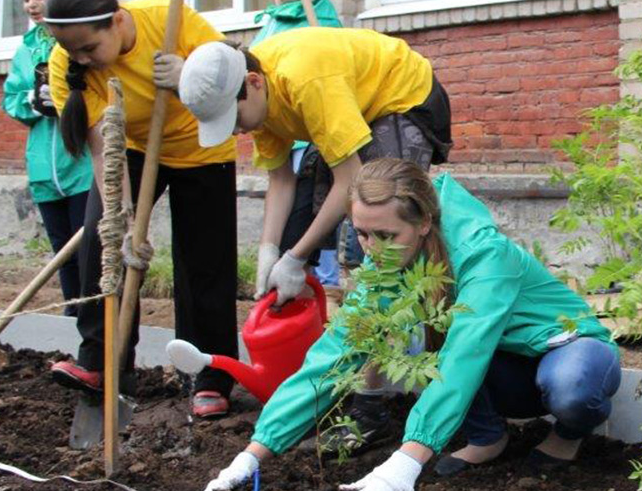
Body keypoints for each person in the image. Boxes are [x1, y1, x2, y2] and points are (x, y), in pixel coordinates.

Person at [193, 158, 622, 491]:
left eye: (385, 234)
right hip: (504, 367)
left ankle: (568, 434)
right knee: (418, 345)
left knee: (572, 389)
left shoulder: (484, 255)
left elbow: (464, 356)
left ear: (423, 224)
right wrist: (253, 453)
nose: (371, 249)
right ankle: (489, 436)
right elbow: (330, 360)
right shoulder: (387, 267)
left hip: (566, 348)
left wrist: (406, 462)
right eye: (361, 234)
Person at [176, 25, 451, 444]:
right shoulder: (260, 95)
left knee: (369, 249)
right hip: (354, 107)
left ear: (253, 84)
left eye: (233, 119)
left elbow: (352, 181)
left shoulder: (306, 80)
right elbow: (282, 183)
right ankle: (314, 383)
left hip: (403, 97)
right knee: (297, 232)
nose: (235, 131)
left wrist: (296, 256)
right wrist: (273, 251)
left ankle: (371, 405)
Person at [43, 0, 241, 418]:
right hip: (127, 149)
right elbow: (101, 149)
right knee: (104, 243)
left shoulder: (166, 19)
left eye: (89, 49)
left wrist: (187, 71)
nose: (81, 59)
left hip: (200, 147)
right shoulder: (66, 65)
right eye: (71, 50)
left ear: (116, 21)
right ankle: (101, 361)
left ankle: (210, 374)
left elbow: (234, 66)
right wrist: (125, 217)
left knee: (203, 263)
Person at [1, 0, 93, 317]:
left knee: (88, 251)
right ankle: (72, 324)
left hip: (80, 166)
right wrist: (32, 101)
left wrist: (67, 101)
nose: (32, 4)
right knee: (61, 255)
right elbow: (10, 98)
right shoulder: (24, 50)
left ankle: (94, 326)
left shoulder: (73, 41)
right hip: (43, 168)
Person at [251, 0, 343, 291]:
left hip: (318, 134)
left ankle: (327, 285)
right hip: (281, 133)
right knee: (291, 214)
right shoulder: (268, 24)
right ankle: (298, 282)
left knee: (321, 207)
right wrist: (268, 249)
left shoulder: (319, 16)